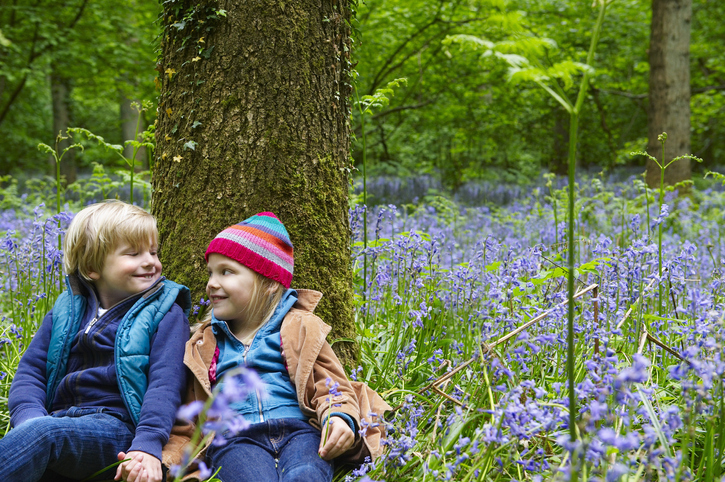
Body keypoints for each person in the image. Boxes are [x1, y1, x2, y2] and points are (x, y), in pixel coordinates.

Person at [160, 212, 390, 482]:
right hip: (236, 438)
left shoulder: (301, 327)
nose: (211, 283)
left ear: (268, 283)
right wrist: (169, 461)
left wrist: (339, 418)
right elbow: (189, 421)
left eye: (226, 272)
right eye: (211, 272)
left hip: (301, 432)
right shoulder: (204, 343)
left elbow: (332, 384)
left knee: (305, 475)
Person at [1, 200, 191, 482]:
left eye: (153, 251)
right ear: (92, 267)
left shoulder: (165, 314)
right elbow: (30, 372)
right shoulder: (66, 310)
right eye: (133, 253)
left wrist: (148, 444)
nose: (150, 261)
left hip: (116, 427)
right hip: (59, 422)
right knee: (42, 437)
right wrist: (30, 418)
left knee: (45, 436)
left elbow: (165, 384)